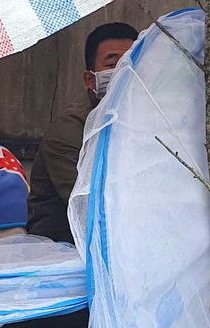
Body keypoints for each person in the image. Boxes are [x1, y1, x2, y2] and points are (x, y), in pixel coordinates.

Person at [26, 21, 138, 244]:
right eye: (113, 64)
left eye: (132, 63)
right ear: (90, 79)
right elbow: (88, 208)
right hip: (62, 247)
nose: (124, 72)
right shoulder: (69, 128)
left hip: (122, 239)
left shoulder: (142, 114)